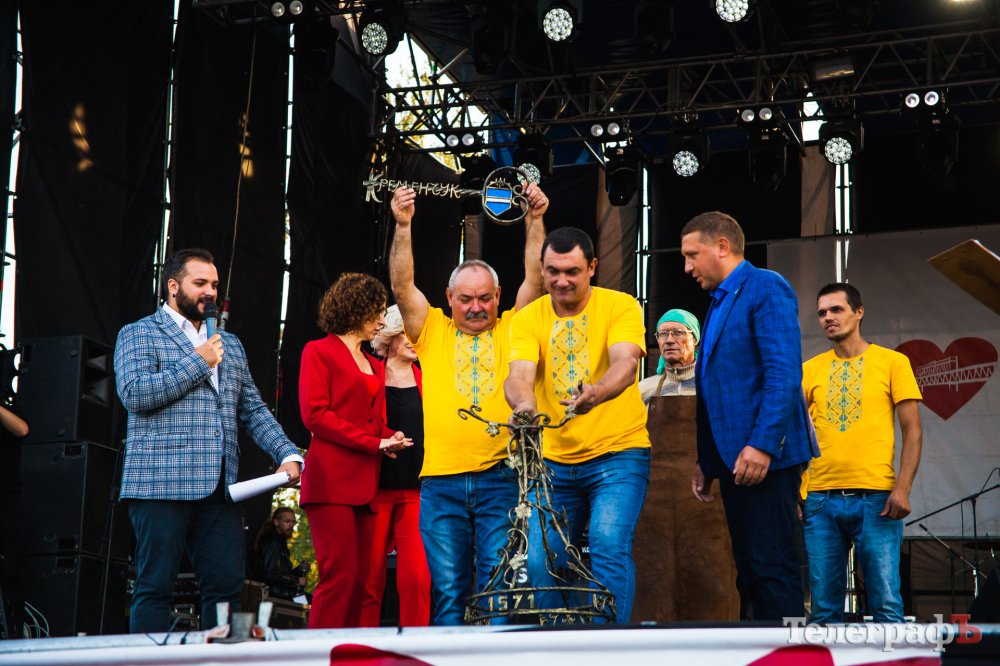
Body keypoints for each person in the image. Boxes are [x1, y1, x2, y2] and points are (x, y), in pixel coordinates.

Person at [115, 248, 303, 633]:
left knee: (227, 588)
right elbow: (135, 394)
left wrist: (287, 452)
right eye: (200, 283)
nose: (210, 292)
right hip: (160, 484)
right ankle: (145, 661)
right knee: (154, 586)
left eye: (214, 285)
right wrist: (199, 361)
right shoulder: (139, 332)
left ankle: (222, 658)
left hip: (219, 488)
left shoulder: (229, 344)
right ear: (173, 286)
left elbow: (252, 408)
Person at [388, 182, 548, 625]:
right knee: (449, 594)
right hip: (441, 484)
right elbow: (401, 285)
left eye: (485, 298)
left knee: (499, 591)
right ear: (449, 299)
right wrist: (403, 226)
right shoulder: (432, 330)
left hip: (502, 477)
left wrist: (535, 221)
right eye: (466, 299)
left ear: (498, 297)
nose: (476, 307)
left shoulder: (515, 327)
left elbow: (536, 279)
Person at [505, 226, 650, 624]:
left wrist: (597, 392)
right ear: (542, 269)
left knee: (607, 544)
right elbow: (518, 375)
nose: (561, 280)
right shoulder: (528, 317)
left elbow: (626, 363)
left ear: (592, 267)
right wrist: (524, 406)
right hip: (553, 461)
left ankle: (606, 647)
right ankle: (561, 644)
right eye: (553, 271)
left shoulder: (620, 305)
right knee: (541, 560)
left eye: (571, 271)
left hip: (618, 454)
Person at [681, 212, 818, 621]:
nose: (686, 267)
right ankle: (759, 648)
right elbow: (716, 388)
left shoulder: (766, 286)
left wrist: (762, 445)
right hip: (734, 460)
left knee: (771, 567)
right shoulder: (720, 300)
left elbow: (784, 374)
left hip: (764, 457)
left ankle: (790, 652)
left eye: (692, 255)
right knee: (751, 571)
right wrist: (708, 461)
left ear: (722, 247)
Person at [801, 282, 922, 623]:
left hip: (877, 499)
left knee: (886, 604)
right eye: (822, 313)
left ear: (859, 312)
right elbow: (794, 435)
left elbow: (913, 431)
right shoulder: (809, 369)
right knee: (823, 610)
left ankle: (892, 654)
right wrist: (797, 490)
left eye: (836, 309)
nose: (828, 317)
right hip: (820, 499)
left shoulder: (893, 362)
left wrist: (903, 488)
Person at [298, 273, 412, 629]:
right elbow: (315, 415)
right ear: (355, 309)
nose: (381, 321)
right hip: (331, 483)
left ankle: (351, 649)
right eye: (376, 312)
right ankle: (321, 651)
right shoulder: (318, 351)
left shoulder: (373, 363)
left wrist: (390, 437)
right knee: (340, 575)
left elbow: (372, 422)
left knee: (363, 578)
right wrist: (374, 443)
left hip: (366, 484)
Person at [360, 305, 431, 627]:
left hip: (417, 490)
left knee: (417, 577)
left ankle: (417, 645)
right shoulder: (368, 371)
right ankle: (362, 644)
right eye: (407, 333)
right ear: (390, 337)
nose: (414, 340)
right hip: (375, 489)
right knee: (370, 577)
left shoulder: (428, 376)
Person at [0, 402, 29, 639]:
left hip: (5, 508)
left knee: (9, 574)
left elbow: (22, 429)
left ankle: (14, 636)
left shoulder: (7, 409)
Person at [638, 309, 700, 402]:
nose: (669, 340)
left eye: (678, 332)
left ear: (695, 339)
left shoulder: (712, 386)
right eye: (663, 333)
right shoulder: (643, 390)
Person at [251, 507, 308, 601]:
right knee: (313, 601)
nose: (291, 525)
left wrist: (298, 570)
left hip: (280, 591)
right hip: (272, 592)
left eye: (293, 522)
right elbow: (272, 574)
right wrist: (297, 580)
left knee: (312, 600)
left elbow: (282, 573)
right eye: (287, 521)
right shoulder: (272, 542)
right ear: (276, 522)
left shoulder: (280, 541)